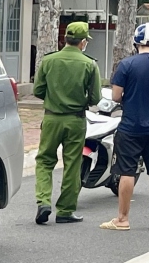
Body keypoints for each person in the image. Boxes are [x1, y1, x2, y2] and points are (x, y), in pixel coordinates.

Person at [100, 22, 149, 231]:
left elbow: (116, 96)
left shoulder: (126, 65)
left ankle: (123, 219)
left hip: (130, 127)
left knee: (127, 171)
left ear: (136, 41)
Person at [33, 21, 102, 225]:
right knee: (72, 164)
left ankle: (43, 201)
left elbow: (37, 90)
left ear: (65, 39)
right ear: (82, 42)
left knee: (45, 160)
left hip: (52, 118)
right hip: (76, 120)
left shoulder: (48, 61)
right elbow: (96, 97)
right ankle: (65, 210)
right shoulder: (89, 64)